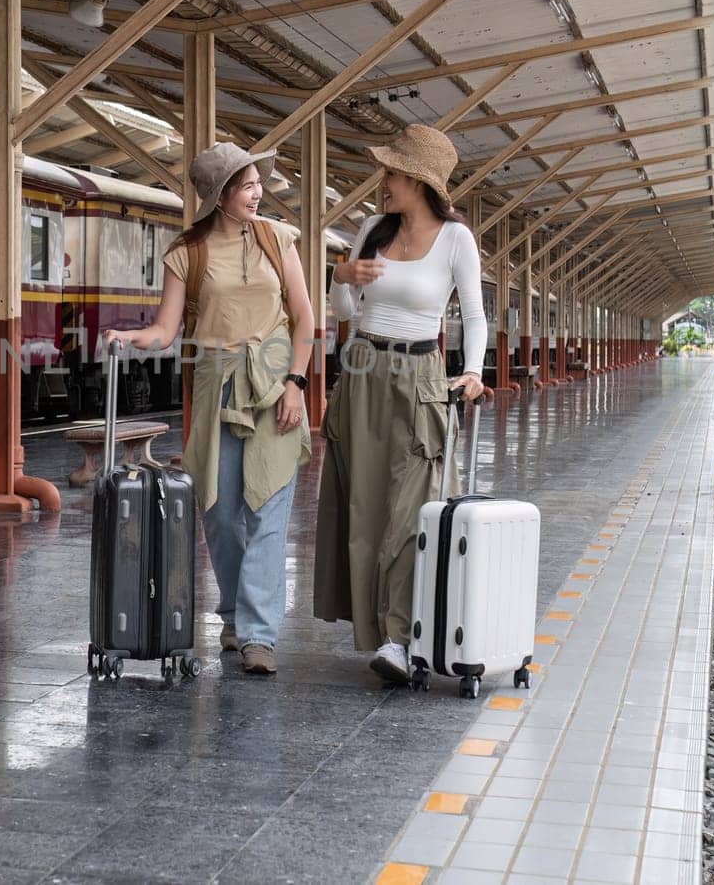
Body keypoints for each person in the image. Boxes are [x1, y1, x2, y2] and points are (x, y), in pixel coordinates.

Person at [104, 143, 314, 676]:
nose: (258, 192)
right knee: (219, 513)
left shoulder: (278, 238)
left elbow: (307, 320)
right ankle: (233, 616)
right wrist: (131, 337)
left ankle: (258, 635)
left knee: (268, 510)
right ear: (221, 196)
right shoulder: (188, 252)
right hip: (215, 384)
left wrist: (297, 383)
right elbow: (166, 330)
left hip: (273, 384)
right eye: (246, 185)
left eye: (258, 183)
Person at [313, 123, 488, 684]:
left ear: (416, 179)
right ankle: (377, 633)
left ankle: (399, 634)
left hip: (420, 374)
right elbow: (345, 308)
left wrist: (474, 371)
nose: (381, 181)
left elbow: (476, 316)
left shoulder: (457, 239)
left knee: (411, 507)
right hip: (363, 368)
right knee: (364, 505)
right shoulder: (371, 228)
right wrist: (340, 275)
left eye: (390, 173)